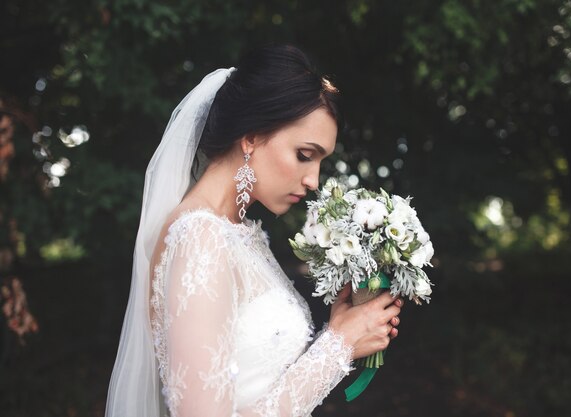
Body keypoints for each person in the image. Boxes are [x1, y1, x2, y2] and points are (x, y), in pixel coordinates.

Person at [105, 45, 404, 417]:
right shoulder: (200, 237)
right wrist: (338, 347)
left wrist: (343, 330)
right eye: (304, 155)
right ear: (251, 137)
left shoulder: (238, 232)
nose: (313, 180)